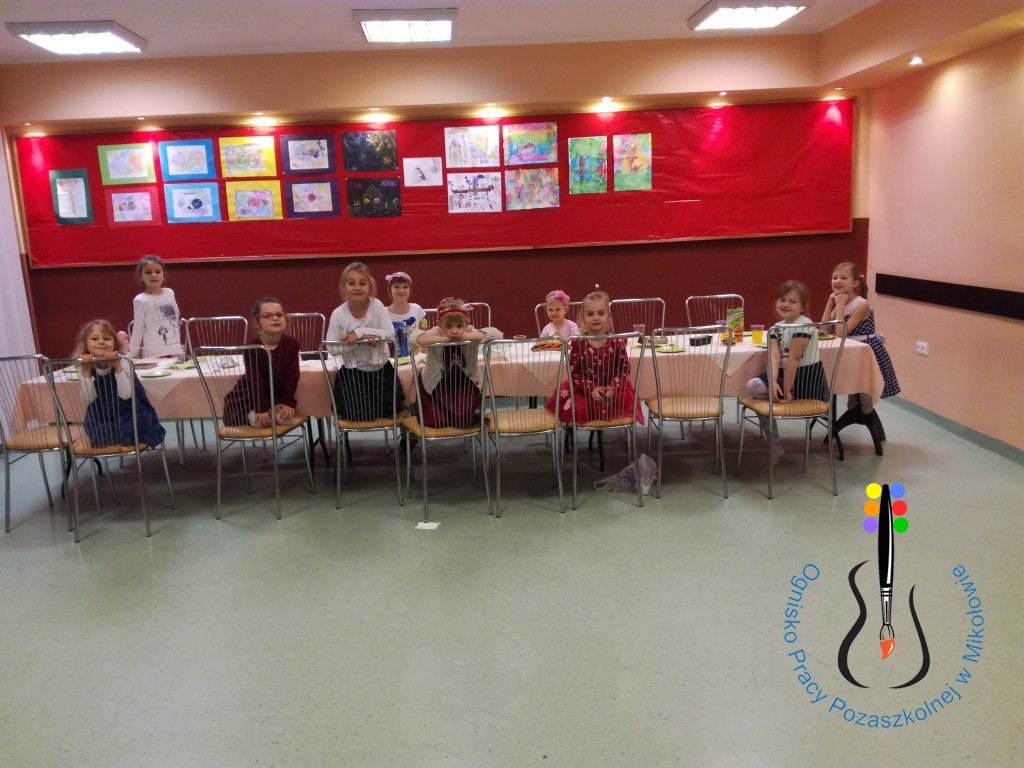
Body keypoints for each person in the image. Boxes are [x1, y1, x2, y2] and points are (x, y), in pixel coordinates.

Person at [746, 280, 826, 464]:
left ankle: (774, 445)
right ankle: (775, 445)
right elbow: (774, 357)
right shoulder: (776, 328)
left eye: (792, 301)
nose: (786, 304)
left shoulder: (804, 324)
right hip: (784, 376)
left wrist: (787, 388)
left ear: (802, 307)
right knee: (753, 386)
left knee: (765, 395)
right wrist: (773, 382)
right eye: (782, 300)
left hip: (806, 379)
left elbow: (794, 358)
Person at [821, 261, 900, 449]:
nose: (837, 281)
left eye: (843, 278)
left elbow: (841, 333)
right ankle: (854, 405)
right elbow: (824, 330)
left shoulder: (861, 304)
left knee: (863, 380)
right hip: (847, 351)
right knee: (847, 380)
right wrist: (830, 304)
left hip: (864, 350)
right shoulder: (838, 303)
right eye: (834, 277)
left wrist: (840, 306)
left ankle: (865, 403)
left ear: (855, 283)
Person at [547, 289, 643, 425]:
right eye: (590, 314)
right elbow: (575, 372)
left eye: (601, 313)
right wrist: (591, 387)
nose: (596, 318)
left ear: (608, 316)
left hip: (612, 390)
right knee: (579, 408)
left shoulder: (617, 342)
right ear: (583, 317)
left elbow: (624, 369)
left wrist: (613, 387)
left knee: (616, 406)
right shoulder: (578, 343)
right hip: (584, 391)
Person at [409, 298, 502, 428]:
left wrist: (466, 337)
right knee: (436, 421)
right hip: (437, 386)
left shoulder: (469, 331)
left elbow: (497, 334)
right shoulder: (435, 332)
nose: (454, 331)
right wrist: (442, 339)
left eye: (459, 326)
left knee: (463, 420)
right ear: (439, 324)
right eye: (448, 326)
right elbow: (413, 338)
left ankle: (463, 418)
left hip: (465, 384)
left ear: (466, 323)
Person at [73, 319, 166, 446]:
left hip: (129, 413)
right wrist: (86, 372)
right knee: (98, 431)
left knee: (131, 428)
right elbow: (89, 398)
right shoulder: (83, 364)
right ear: (85, 344)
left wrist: (117, 367)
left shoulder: (123, 361)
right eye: (94, 339)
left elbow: (126, 395)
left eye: (107, 338)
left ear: (115, 343)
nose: (101, 342)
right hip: (101, 417)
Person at [326, 262, 398, 421]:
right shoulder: (338, 314)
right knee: (357, 417)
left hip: (381, 373)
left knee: (387, 416)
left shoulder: (377, 306)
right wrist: (359, 343)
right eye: (351, 283)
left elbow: (389, 334)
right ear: (344, 287)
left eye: (363, 283)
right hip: (352, 376)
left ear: (370, 286)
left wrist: (360, 333)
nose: (357, 288)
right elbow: (331, 348)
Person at [222, 297, 300, 428]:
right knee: (262, 423)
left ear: (285, 319)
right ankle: (253, 414)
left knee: (285, 420)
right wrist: (261, 408)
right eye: (268, 316)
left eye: (279, 315)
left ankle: (272, 410)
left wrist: (287, 402)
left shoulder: (292, 344)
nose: (275, 318)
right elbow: (255, 380)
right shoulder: (251, 348)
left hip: (276, 396)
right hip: (250, 397)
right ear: (258, 323)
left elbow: (292, 376)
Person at [128, 254, 183, 359]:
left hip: (175, 348)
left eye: (157, 272)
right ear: (140, 276)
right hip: (154, 352)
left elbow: (176, 315)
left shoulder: (169, 293)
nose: (153, 275)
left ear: (164, 275)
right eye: (148, 272)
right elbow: (138, 329)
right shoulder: (140, 300)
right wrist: (132, 355)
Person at [384, 270, 425, 357]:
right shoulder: (383, 312)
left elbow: (422, 332)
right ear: (389, 290)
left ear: (410, 290)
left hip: (415, 357)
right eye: (396, 287)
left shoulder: (417, 309)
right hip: (392, 359)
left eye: (405, 287)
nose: (401, 290)